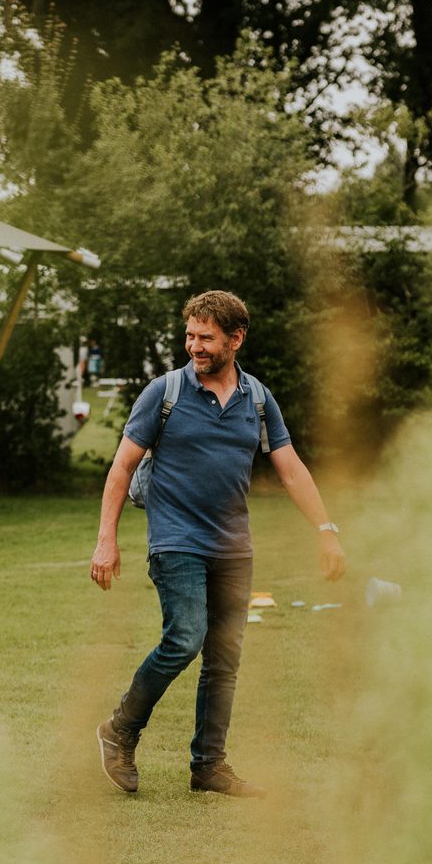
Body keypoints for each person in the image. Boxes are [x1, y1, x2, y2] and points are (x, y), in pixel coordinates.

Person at [90, 290, 346, 798]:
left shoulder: (257, 398)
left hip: (234, 546)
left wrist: (326, 530)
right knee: (186, 637)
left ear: (236, 338)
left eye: (205, 337)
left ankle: (209, 766)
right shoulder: (164, 392)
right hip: (176, 539)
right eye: (189, 335)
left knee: (225, 657)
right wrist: (106, 542)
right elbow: (121, 467)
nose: (194, 346)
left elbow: (290, 467)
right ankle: (119, 730)